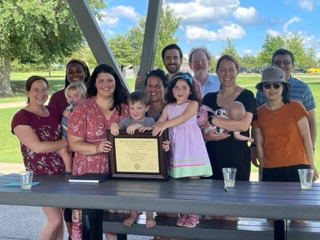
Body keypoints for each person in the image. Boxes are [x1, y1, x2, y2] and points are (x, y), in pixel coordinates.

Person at [68, 64, 129, 240]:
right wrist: (96, 148)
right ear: (94, 83)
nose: (106, 84)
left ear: (116, 82)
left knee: (116, 226)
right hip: (88, 173)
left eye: (110, 80)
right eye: (101, 80)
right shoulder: (82, 108)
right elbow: (74, 144)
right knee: (89, 225)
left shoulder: (125, 109)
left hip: (116, 173)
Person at [153, 72, 212, 228]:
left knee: (193, 180)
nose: (180, 90)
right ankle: (183, 213)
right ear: (171, 90)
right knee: (178, 182)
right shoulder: (168, 107)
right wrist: (149, 128)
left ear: (190, 90)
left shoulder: (192, 104)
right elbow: (159, 121)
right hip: (176, 147)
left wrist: (163, 125)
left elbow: (183, 118)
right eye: (176, 87)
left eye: (184, 87)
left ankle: (194, 213)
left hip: (191, 147)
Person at [11, 75, 67, 240]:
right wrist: (65, 142)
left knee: (61, 219)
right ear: (27, 92)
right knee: (54, 220)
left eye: (44, 89)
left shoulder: (55, 112)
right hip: (40, 176)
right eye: (36, 90)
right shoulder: (21, 117)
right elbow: (37, 147)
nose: (41, 93)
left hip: (62, 173)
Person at [111, 90, 170, 229]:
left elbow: (151, 131)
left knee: (149, 189)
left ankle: (149, 215)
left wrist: (138, 126)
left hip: (147, 163)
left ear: (147, 108)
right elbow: (117, 126)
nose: (135, 111)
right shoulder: (126, 121)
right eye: (132, 108)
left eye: (139, 107)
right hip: (130, 163)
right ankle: (133, 213)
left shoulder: (150, 120)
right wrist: (114, 126)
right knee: (131, 189)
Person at [253, 66, 319, 183]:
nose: (272, 89)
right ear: (262, 89)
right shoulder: (259, 113)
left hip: (298, 166)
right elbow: (259, 145)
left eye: (277, 85)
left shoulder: (296, 107)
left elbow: (306, 139)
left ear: (283, 87)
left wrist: (312, 166)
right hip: (271, 168)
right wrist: (262, 171)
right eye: (267, 85)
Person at [202, 54, 256, 182]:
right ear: (216, 72)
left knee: (237, 198)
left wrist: (213, 120)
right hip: (212, 157)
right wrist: (206, 136)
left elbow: (243, 125)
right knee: (210, 197)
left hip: (236, 158)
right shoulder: (208, 98)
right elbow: (201, 128)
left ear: (237, 71)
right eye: (222, 70)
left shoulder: (246, 96)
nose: (227, 74)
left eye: (231, 69)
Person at [59, 82, 87, 174]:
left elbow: (79, 124)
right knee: (63, 150)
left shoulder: (83, 110)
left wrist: (70, 117)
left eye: (76, 96)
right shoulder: (69, 108)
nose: (72, 99)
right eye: (69, 96)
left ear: (83, 97)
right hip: (65, 136)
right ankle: (68, 170)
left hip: (75, 137)